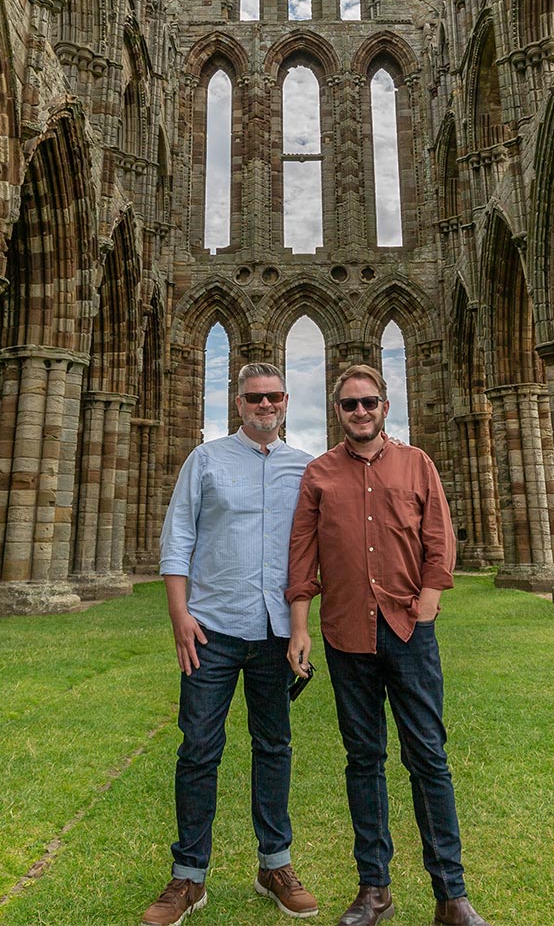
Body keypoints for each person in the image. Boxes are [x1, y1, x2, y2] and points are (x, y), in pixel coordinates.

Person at [285, 365, 493, 926]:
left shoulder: (416, 463)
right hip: (347, 635)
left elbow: (438, 538)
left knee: (428, 758)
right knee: (363, 761)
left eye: (368, 402)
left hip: (408, 632)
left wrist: (427, 604)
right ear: (337, 411)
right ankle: (374, 890)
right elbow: (302, 557)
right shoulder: (319, 475)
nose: (360, 412)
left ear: (384, 406)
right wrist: (300, 627)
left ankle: (452, 895)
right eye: (349, 404)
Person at [145, 364, 321, 924]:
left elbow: (308, 557)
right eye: (254, 398)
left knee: (274, 747)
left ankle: (275, 864)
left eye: (272, 397)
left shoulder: (305, 468)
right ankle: (189, 877)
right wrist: (179, 617)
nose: (264, 406)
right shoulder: (206, 460)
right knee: (198, 749)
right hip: (211, 630)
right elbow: (178, 539)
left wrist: (300, 627)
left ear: (286, 402)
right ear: (237, 403)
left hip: (275, 633)